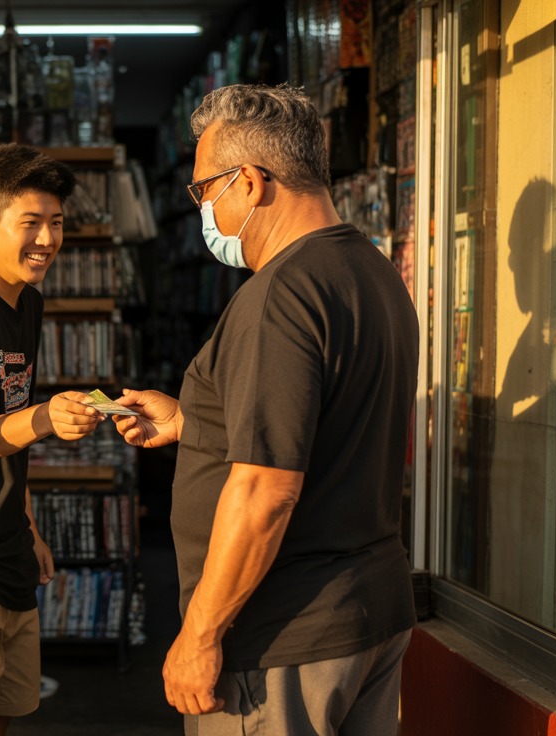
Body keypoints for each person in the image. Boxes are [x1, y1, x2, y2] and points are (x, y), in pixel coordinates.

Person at [111, 84, 419, 735]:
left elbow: (265, 488)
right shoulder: (371, 270)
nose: (202, 210)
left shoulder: (281, 294)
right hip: (368, 613)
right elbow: (327, 420)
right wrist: (200, 421)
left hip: (285, 639)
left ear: (248, 182)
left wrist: (199, 635)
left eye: (203, 191)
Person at [0, 143, 103, 736]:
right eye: (31, 223)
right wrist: (47, 417)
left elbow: (12, 414)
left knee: (10, 712)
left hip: (10, 548)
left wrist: (29, 526)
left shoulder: (29, 301)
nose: (47, 239)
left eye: (56, 224)